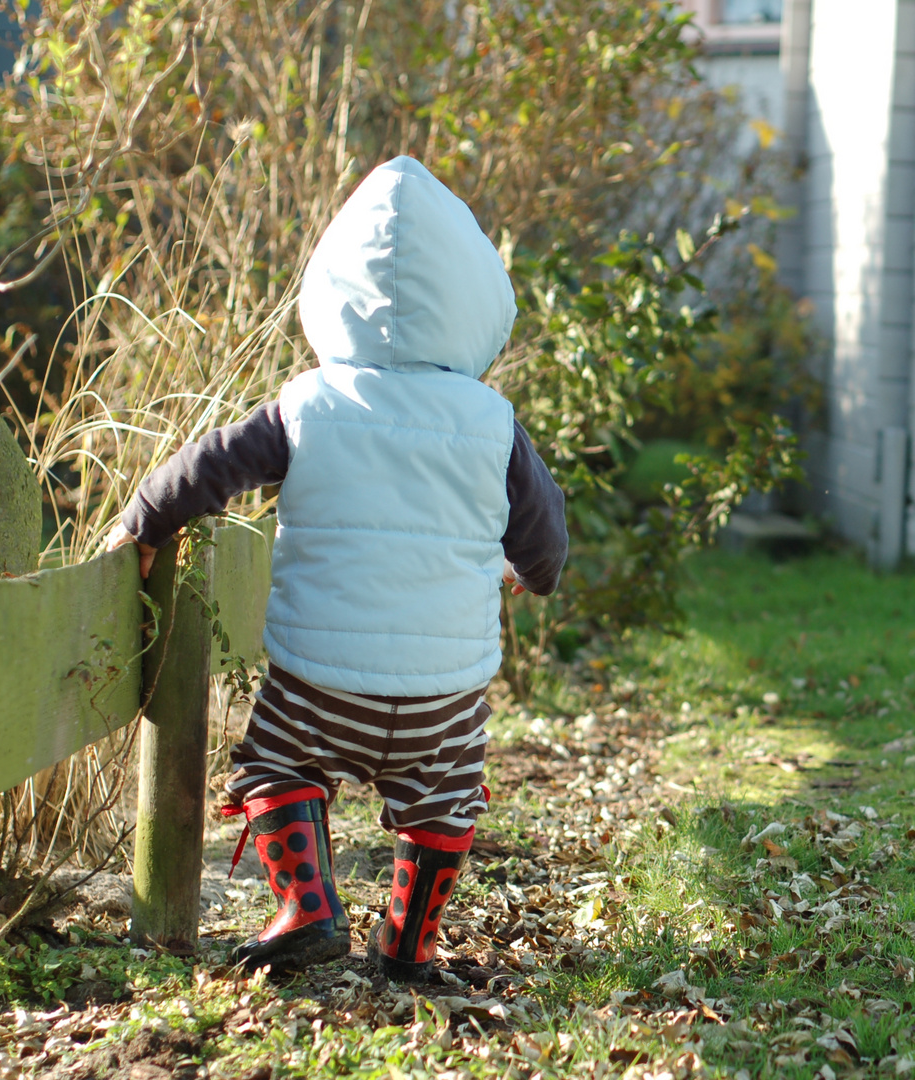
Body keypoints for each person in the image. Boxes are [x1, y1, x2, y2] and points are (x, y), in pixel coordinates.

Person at [106, 156, 568, 980]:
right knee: (446, 799)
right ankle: (409, 942)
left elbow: (208, 467)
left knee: (274, 764)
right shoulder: (493, 421)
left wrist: (143, 523)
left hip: (320, 686)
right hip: (443, 693)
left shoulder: (309, 402)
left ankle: (308, 906)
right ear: (476, 300)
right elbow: (546, 536)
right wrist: (529, 573)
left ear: (334, 288)